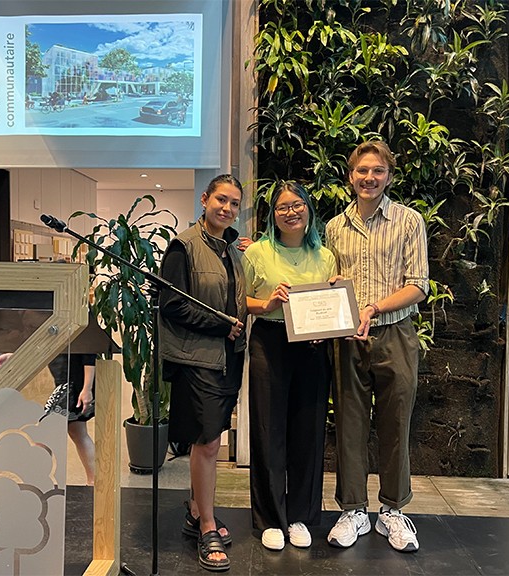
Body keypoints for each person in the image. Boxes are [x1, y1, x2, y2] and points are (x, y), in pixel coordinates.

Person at [324, 140, 429, 553]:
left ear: (389, 175)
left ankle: (391, 510)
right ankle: (353, 510)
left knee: (395, 422)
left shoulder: (409, 221)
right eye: (362, 170)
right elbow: (329, 279)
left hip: (395, 334)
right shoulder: (333, 227)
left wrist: (372, 307)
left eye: (378, 171)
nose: (370, 178)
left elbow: (418, 285)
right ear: (350, 176)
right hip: (348, 338)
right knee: (349, 423)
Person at [241, 181, 337, 551]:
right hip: (270, 340)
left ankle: (300, 516)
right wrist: (265, 304)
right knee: (268, 430)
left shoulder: (324, 256)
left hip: (313, 348)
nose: (291, 212)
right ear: (273, 215)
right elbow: (241, 299)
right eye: (282, 207)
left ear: (309, 209)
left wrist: (325, 327)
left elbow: (330, 303)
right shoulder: (258, 253)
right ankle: (269, 518)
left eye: (297, 205)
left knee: (308, 431)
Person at [159, 174, 247, 572]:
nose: (227, 208)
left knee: (211, 439)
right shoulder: (183, 246)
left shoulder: (231, 249)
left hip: (229, 358)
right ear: (204, 199)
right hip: (199, 359)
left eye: (234, 203)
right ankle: (207, 524)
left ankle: (196, 511)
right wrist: (220, 325)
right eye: (221, 200)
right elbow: (172, 305)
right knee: (207, 443)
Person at [0, 351, 96, 485]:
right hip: (68, 387)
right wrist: (12, 357)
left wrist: (87, 389)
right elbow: (43, 347)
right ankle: (94, 482)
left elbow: (89, 355)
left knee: (43, 435)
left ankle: (34, 481)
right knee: (78, 433)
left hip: (71, 388)